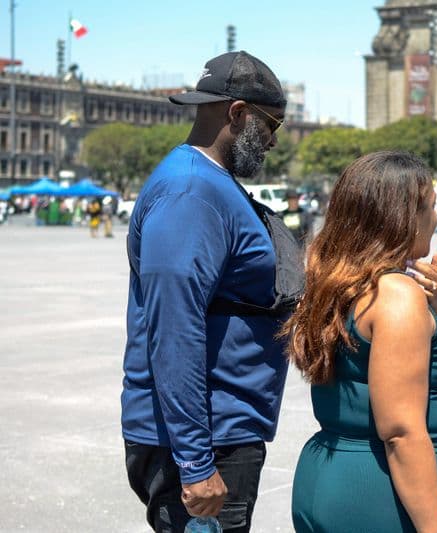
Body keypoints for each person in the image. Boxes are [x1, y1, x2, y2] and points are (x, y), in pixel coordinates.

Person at [121, 51, 290, 532]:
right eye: (271, 123)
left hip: (221, 428)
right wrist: (195, 463)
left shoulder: (213, 184)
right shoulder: (191, 193)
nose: (274, 140)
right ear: (237, 114)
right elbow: (174, 330)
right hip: (201, 441)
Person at [286, 151, 437, 533]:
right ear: (402, 217)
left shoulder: (338, 282)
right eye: (430, 207)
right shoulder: (395, 294)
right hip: (381, 487)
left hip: (329, 469)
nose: (435, 219)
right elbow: (401, 432)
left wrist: (433, 309)